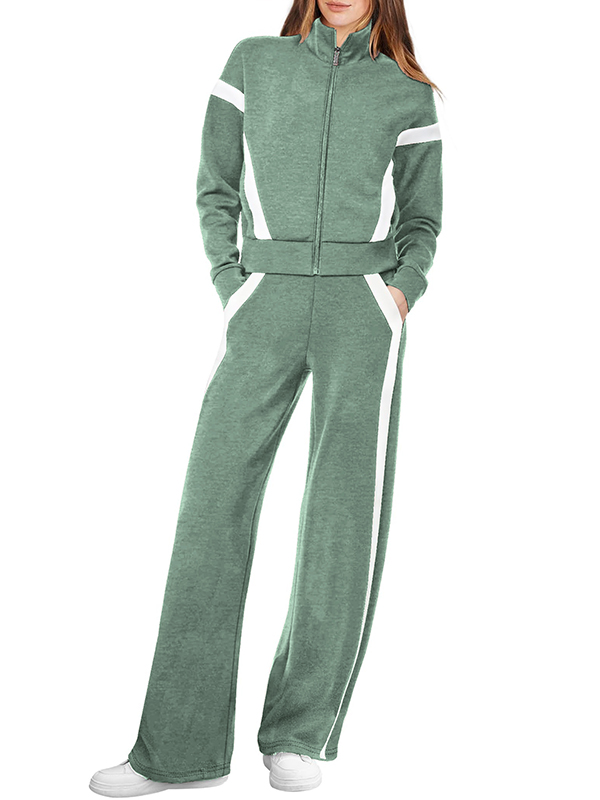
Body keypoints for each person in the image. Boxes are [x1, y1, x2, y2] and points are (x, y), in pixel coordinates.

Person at [89, 0, 443, 794]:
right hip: (266, 298)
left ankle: (300, 733)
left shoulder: (407, 91)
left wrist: (398, 295)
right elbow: (214, 184)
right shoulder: (254, 61)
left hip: (362, 308)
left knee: (342, 521)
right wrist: (232, 281)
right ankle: (174, 750)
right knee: (211, 508)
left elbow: (423, 218)